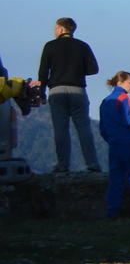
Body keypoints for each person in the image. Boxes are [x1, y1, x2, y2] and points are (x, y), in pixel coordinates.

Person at [37, 17, 101, 172]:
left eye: (55, 28)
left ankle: (63, 164)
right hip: (77, 90)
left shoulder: (50, 46)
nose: (54, 30)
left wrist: (41, 92)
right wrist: (77, 70)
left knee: (60, 129)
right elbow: (94, 69)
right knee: (83, 128)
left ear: (60, 29)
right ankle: (92, 163)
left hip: (56, 90)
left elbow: (43, 72)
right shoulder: (82, 46)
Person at [98, 71, 130, 218]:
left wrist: (111, 139)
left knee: (116, 180)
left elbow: (103, 127)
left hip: (115, 144)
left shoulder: (105, 101)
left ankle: (112, 211)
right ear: (120, 83)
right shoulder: (125, 98)